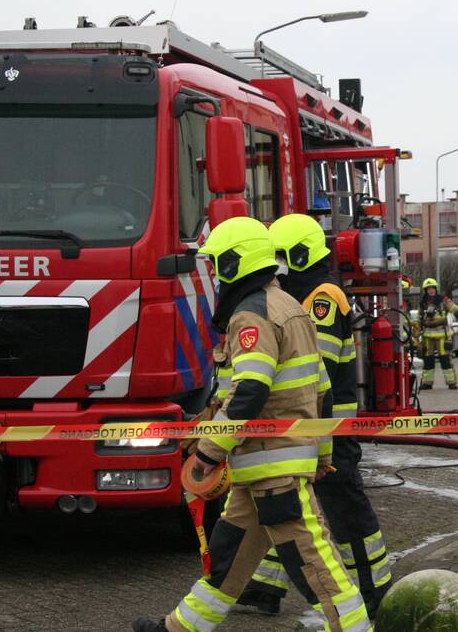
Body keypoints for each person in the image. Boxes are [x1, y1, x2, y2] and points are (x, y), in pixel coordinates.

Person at [133, 217, 369, 632]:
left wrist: (208, 452)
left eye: (216, 264)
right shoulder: (289, 306)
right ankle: (178, 628)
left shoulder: (251, 315)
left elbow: (249, 393)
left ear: (232, 265)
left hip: (272, 467)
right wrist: (323, 454)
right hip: (264, 469)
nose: (214, 274)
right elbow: (323, 390)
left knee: (315, 564)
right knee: (229, 560)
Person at [233, 214, 392, 620]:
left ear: (301, 255)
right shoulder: (312, 293)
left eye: (283, 257)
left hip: (329, 428)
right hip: (313, 427)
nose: (278, 268)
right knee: (284, 508)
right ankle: (266, 587)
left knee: (345, 511)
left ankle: (375, 589)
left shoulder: (321, 297)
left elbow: (311, 369)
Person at [414, 278, 458, 390]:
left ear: (436, 289)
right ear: (425, 290)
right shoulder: (422, 303)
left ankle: (451, 382)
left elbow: (454, 308)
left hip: (442, 335)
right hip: (428, 336)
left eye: (432, 288)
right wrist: (416, 335)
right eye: (428, 289)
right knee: (428, 361)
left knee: (445, 359)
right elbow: (419, 319)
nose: (431, 290)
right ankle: (427, 383)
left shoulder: (443, 300)